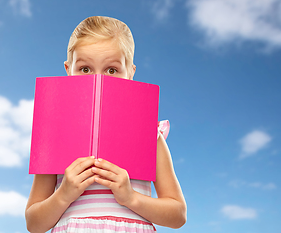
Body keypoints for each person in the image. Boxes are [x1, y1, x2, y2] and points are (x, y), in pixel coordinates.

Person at [25, 16, 186, 233]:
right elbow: (34, 224)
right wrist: (63, 194)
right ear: (68, 70)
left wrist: (130, 197)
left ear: (130, 72)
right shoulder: (55, 133)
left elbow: (178, 215)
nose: (98, 80)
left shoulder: (149, 134)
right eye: (85, 69)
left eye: (112, 70)